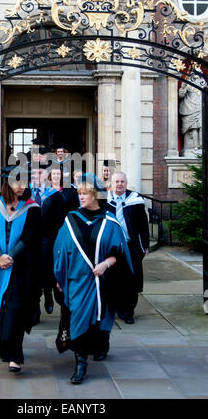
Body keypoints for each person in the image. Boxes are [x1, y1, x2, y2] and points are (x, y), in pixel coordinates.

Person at [53, 173, 134, 384]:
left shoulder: (110, 221)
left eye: (85, 194)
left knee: (103, 318)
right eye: (79, 193)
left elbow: (121, 254)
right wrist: (59, 278)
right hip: (77, 280)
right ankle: (80, 364)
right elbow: (60, 250)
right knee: (78, 318)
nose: (81, 197)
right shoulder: (71, 220)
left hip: (104, 282)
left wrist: (106, 264)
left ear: (96, 195)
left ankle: (102, 343)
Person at [0, 165, 42, 373]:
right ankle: (4, 348)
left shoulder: (32, 208)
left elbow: (31, 238)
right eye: (17, 182)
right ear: (7, 183)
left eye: (24, 182)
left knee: (15, 308)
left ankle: (15, 355)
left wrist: (11, 256)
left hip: (21, 268)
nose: (22, 187)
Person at [105, 171, 149, 324]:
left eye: (122, 181)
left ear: (126, 183)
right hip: (112, 248)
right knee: (113, 279)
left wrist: (145, 245)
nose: (119, 184)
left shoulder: (135, 200)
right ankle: (114, 308)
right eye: (116, 181)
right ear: (112, 183)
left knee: (131, 280)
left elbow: (143, 225)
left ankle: (128, 311)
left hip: (131, 246)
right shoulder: (105, 200)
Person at [30, 163, 64, 316]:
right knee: (32, 273)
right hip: (28, 240)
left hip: (48, 239)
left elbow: (59, 220)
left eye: (40, 173)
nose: (37, 176)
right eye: (34, 173)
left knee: (46, 269)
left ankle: (48, 294)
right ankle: (35, 306)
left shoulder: (54, 195)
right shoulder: (25, 193)